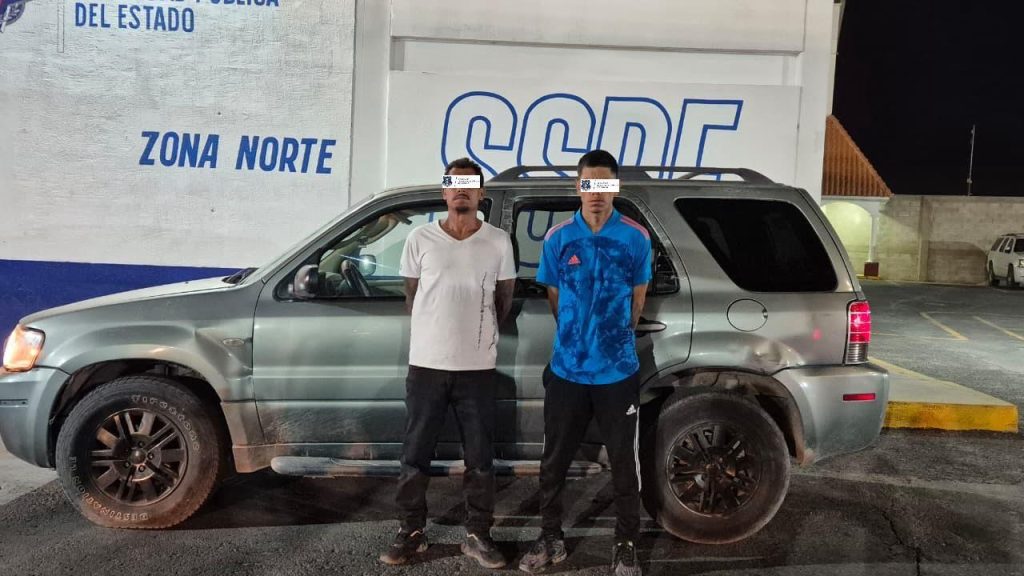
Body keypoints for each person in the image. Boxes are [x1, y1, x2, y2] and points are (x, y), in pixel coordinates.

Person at [519, 150, 651, 576]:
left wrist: (612, 340)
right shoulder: (558, 239)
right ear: (578, 187)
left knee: (624, 464)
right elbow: (555, 297)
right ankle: (550, 537)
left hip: (617, 373)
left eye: (605, 185)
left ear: (615, 188)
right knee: (553, 463)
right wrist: (577, 338)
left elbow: (638, 300)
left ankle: (626, 543)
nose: (596, 193)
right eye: (589, 184)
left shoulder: (635, 238)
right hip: (567, 372)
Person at [379, 157, 516, 569]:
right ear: (444, 192)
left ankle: (478, 534)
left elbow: (503, 301)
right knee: (414, 455)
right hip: (427, 366)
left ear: (481, 194)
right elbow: (412, 296)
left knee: (480, 459)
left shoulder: (498, 242)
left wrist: (474, 335)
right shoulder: (419, 239)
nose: (461, 191)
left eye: (469, 185)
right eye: (454, 184)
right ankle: (411, 531)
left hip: (478, 369)